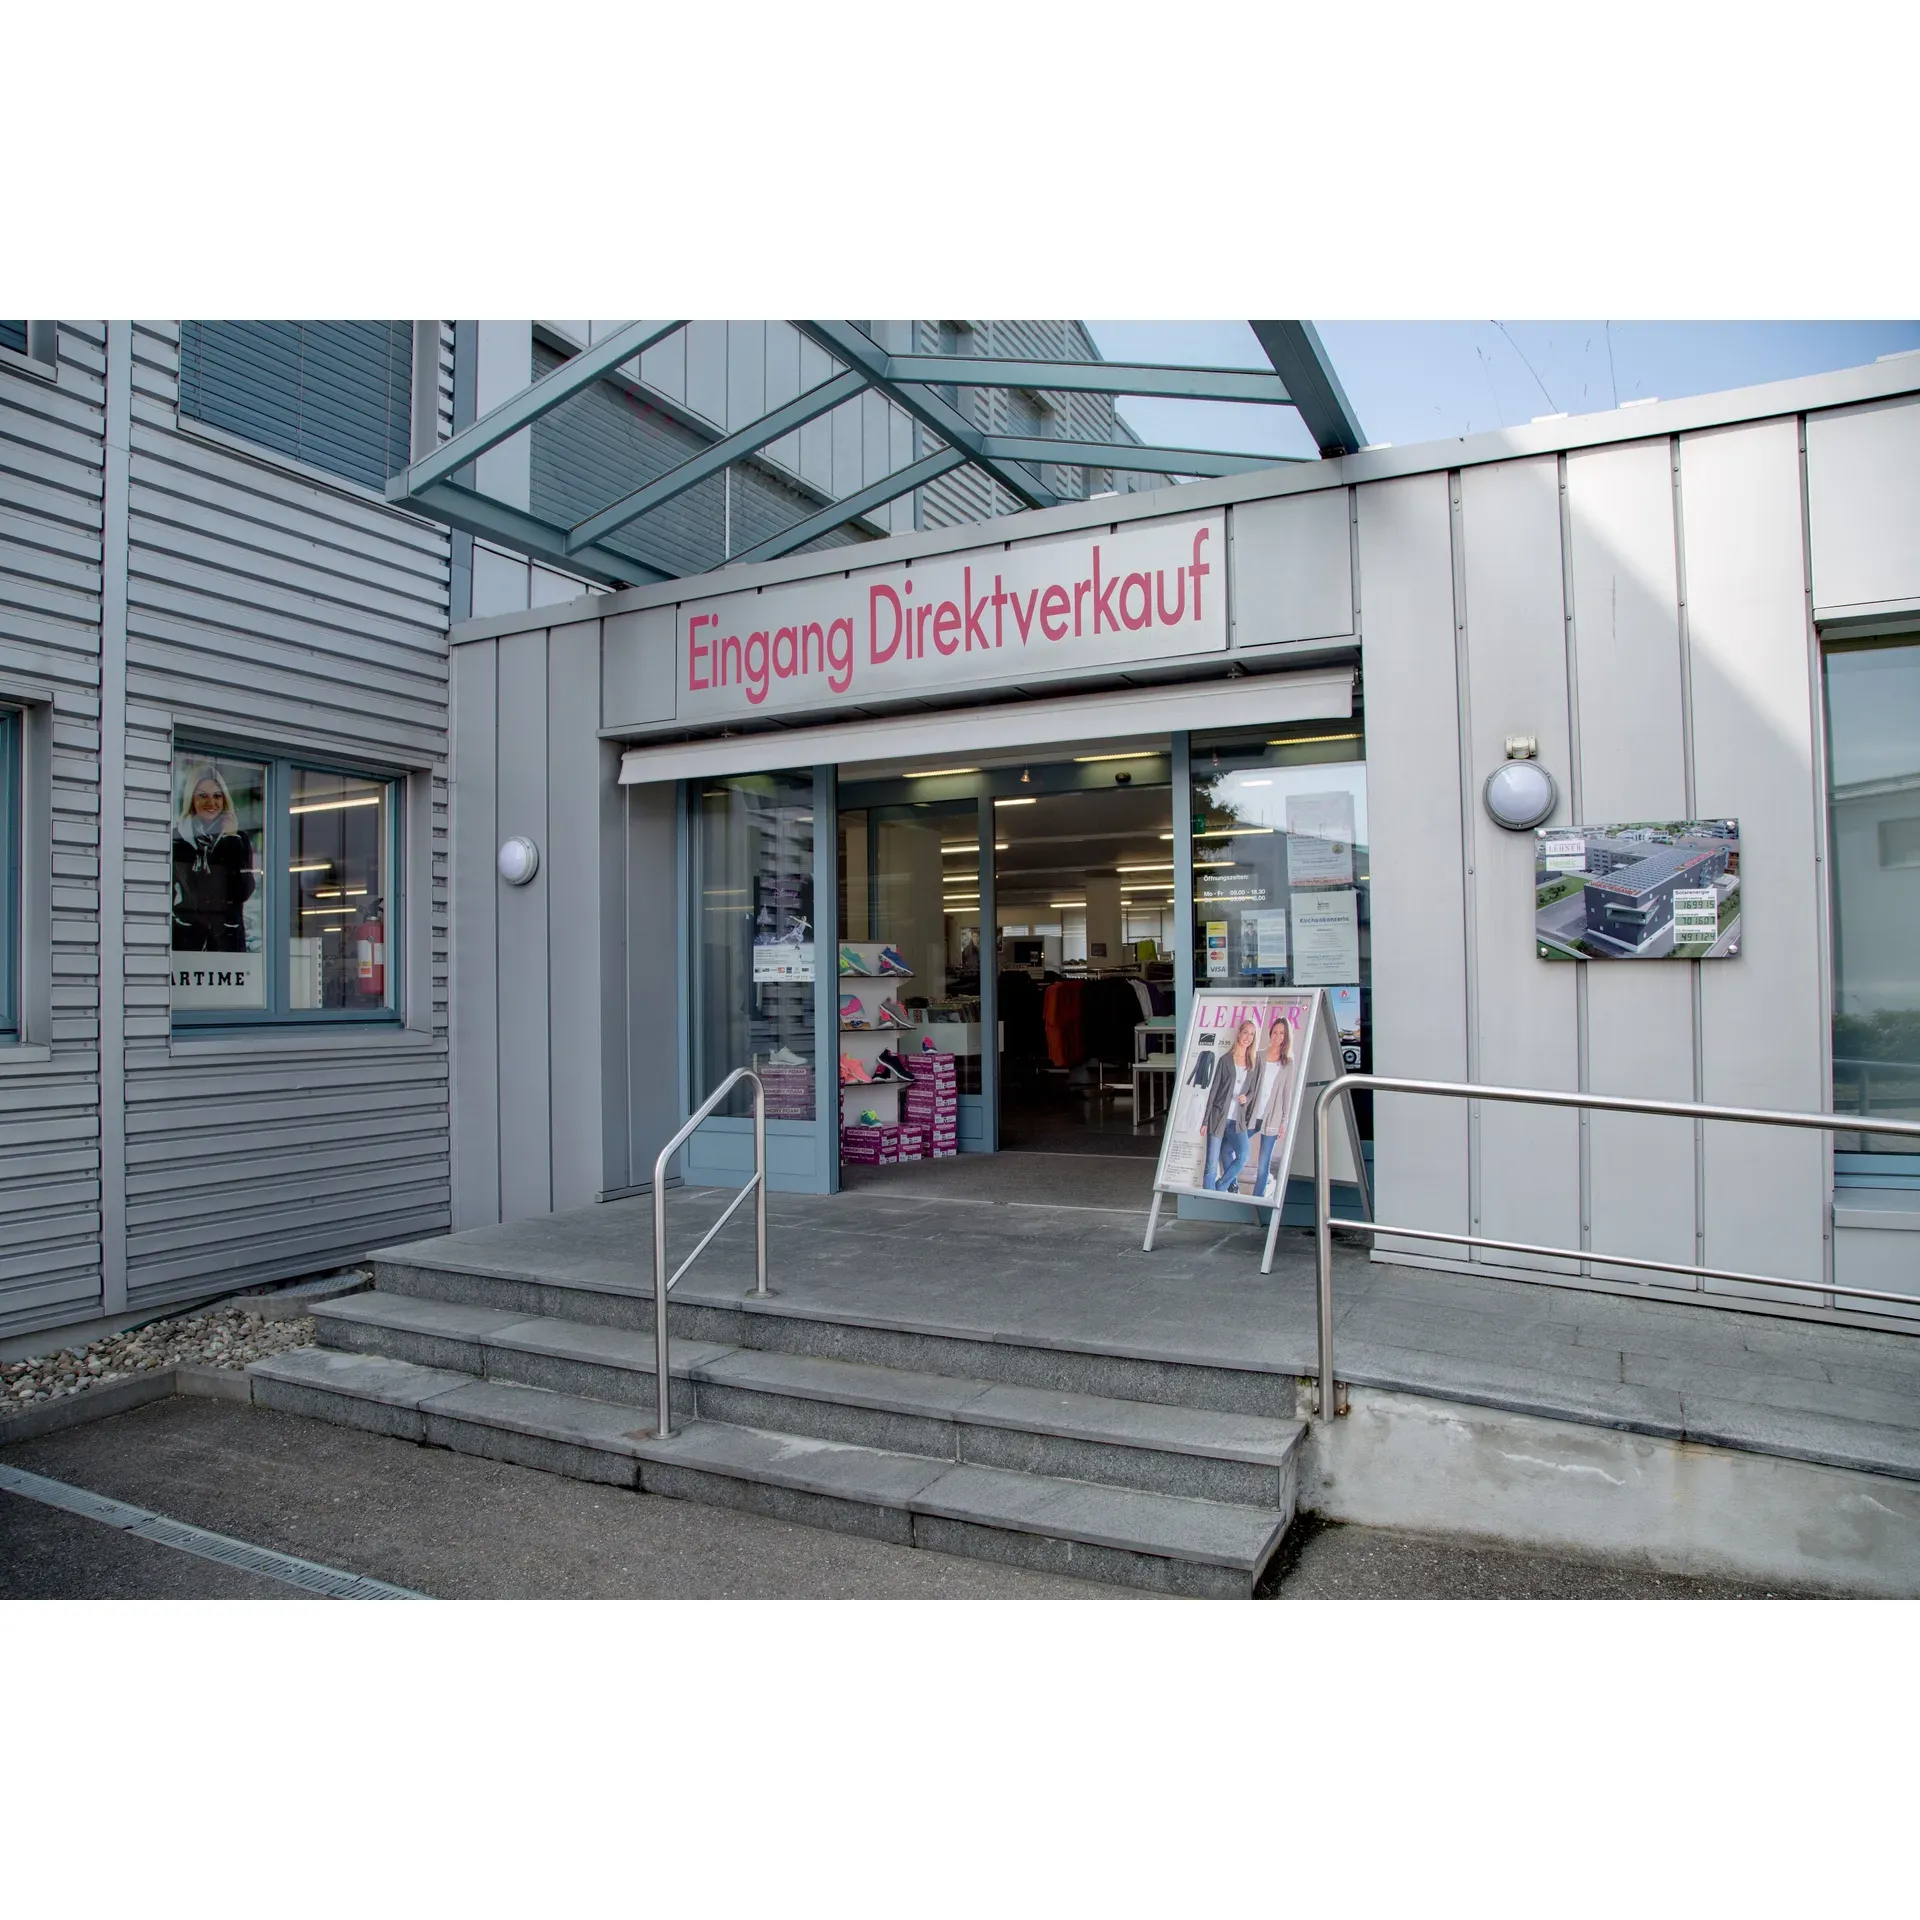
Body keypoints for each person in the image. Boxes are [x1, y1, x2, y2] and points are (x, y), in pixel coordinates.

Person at [171, 764, 255, 952]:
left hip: (226, 940)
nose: (211, 802)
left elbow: (243, 892)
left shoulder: (238, 838)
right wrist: (177, 922)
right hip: (187, 939)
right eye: (203, 795)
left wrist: (230, 840)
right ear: (191, 799)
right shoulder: (178, 839)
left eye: (217, 796)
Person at [1200, 1018, 1259, 1190]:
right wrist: (1205, 1120)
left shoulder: (1252, 1063)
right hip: (1218, 1118)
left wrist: (1246, 1097)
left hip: (1236, 1122)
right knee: (1211, 1166)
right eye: (1245, 1032)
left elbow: (1253, 1091)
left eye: (1252, 1034)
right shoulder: (1225, 1060)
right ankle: (1210, 1199)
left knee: (1243, 1155)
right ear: (1239, 1033)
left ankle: (1220, 1187)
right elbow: (1214, 1091)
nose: (1248, 1037)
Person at [1245, 1010, 1297, 1198]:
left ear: (1286, 1036)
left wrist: (1284, 1121)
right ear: (1270, 1033)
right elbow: (1248, 1083)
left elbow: (1287, 1093)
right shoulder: (1258, 1055)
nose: (1277, 1036)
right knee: (1231, 1148)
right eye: (1275, 1032)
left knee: (1263, 1164)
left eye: (1282, 1033)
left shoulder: (1288, 1062)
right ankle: (1231, 1187)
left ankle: (1257, 1199)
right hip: (1253, 1114)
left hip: (1273, 1117)